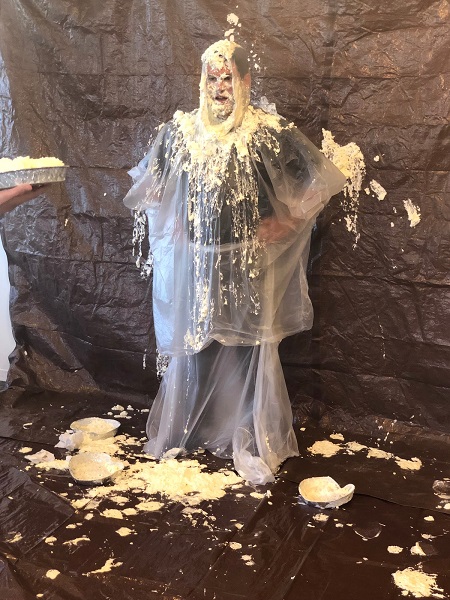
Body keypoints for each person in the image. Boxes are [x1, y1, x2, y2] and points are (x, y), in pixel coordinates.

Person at [123, 40, 346, 484]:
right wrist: (169, 214)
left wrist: (285, 222)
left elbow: (320, 180)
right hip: (197, 264)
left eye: (229, 78)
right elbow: (147, 186)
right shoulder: (180, 132)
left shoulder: (267, 131)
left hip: (247, 264)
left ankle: (246, 433)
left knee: (248, 348)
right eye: (212, 77)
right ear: (201, 80)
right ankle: (194, 431)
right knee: (197, 345)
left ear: (246, 80)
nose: (220, 87)